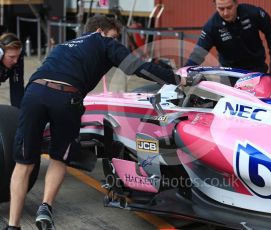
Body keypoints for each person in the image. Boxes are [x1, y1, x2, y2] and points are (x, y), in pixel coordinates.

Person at [5, 15, 190, 230]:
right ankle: (45, 207)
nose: (116, 41)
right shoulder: (104, 42)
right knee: (59, 158)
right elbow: (137, 67)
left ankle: (12, 225)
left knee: (24, 163)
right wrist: (175, 78)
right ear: (102, 31)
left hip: (34, 93)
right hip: (66, 97)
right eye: (115, 37)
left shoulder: (63, 46)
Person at [185, 0, 271, 73]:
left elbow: (269, 30)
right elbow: (199, 53)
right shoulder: (212, 27)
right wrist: (186, 70)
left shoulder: (252, 13)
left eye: (229, 8)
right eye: (221, 9)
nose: (225, 13)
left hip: (257, 68)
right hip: (230, 72)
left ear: (236, 3)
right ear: (216, 6)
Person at [0, 33, 24, 108]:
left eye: (17, 56)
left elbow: (17, 88)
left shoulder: (17, 57)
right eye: (12, 57)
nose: (15, 61)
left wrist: (18, 114)